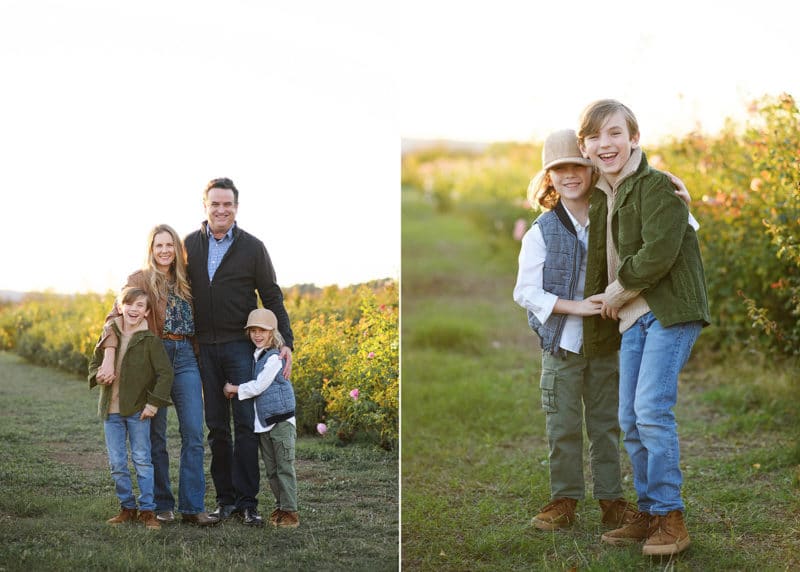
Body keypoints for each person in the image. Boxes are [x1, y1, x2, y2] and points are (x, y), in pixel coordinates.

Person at [577, 99, 710, 556]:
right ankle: (651, 513)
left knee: (652, 410)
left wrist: (616, 292)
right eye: (594, 136)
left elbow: (660, 250)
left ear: (634, 138)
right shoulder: (603, 195)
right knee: (630, 420)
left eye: (615, 132)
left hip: (667, 309)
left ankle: (672, 518)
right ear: (586, 146)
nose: (605, 143)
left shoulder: (656, 185)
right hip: (633, 316)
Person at [513, 129, 637, 532]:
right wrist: (577, 307)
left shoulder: (611, 214)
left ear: (591, 168)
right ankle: (564, 501)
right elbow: (525, 291)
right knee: (562, 425)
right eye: (558, 169)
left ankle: (612, 502)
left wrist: (682, 200)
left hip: (604, 343)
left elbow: (679, 225)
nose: (569, 175)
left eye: (577, 167)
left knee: (605, 424)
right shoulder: (543, 230)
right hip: (562, 344)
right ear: (549, 177)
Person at [185, 177, 294, 526]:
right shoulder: (188, 246)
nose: (221, 210)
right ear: (205, 206)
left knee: (246, 427)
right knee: (217, 428)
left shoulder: (253, 247)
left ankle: (249, 503)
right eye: (215, 204)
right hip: (204, 349)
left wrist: (286, 340)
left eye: (227, 204)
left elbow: (272, 296)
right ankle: (225, 501)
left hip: (240, 347)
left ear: (236, 207)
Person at [95, 224, 217, 526]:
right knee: (156, 434)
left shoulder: (189, 279)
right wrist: (109, 355)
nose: (164, 251)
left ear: (177, 248)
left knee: (193, 433)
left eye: (169, 245)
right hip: (153, 357)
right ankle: (162, 504)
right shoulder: (138, 279)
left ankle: (193, 507)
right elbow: (112, 319)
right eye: (158, 245)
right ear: (151, 249)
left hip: (186, 355)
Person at [88, 286, 174, 530]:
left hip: (138, 410)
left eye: (140, 306)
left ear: (147, 312)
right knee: (117, 462)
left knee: (142, 460)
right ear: (120, 307)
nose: (134, 309)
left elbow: (165, 374)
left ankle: (148, 510)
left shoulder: (150, 340)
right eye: (130, 304)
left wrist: (154, 403)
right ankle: (127, 507)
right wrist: (98, 375)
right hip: (110, 411)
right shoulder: (109, 334)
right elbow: (94, 363)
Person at [223, 308, 300, 529]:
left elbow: (259, 386)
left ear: (272, 333)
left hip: (281, 422)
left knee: (284, 467)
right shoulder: (255, 357)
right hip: (265, 424)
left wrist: (233, 388)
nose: (257, 335)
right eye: (254, 331)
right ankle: (281, 507)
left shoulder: (274, 357)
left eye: (263, 331)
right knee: (272, 470)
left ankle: (291, 511)